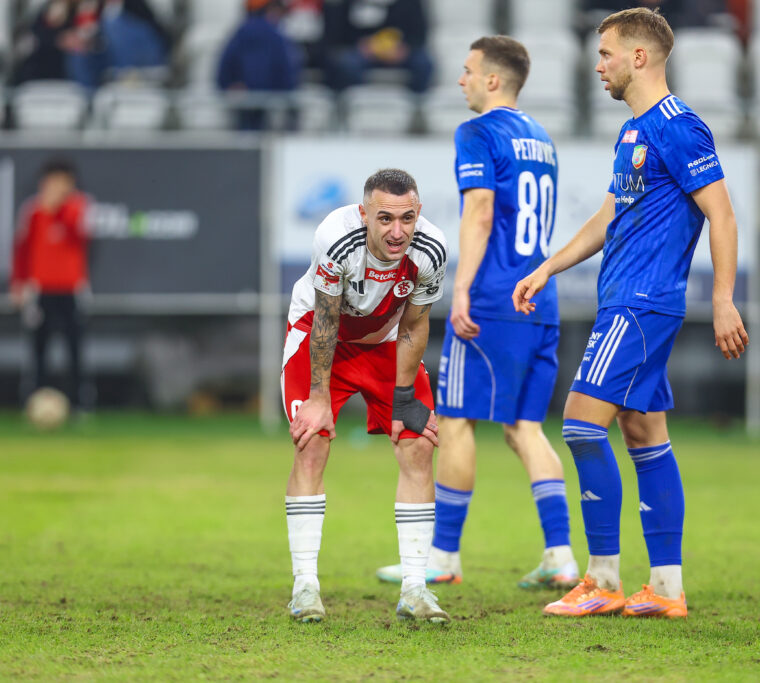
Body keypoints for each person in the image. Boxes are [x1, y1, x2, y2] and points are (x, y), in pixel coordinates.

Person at [513, 7, 749, 618]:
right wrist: (548, 267)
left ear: (638, 57)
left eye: (606, 54)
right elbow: (609, 215)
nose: (598, 66)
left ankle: (601, 580)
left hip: (643, 303)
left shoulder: (679, 126)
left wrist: (723, 298)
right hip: (625, 300)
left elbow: (722, 214)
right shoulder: (634, 131)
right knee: (643, 434)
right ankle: (666, 589)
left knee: (580, 424)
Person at [374, 36, 579, 590]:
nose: (460, 80)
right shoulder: (542, 138)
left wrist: (460, 287)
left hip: (494, 299)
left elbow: (480, 211)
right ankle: (560, 555)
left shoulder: (477, 132)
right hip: (540, 296)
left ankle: (443, 556)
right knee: (525, 428)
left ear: (492, 79)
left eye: (468, 71)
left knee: (456, 420)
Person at [281, 168, 450, 623]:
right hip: (322, 335)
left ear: (418, 213)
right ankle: (305, 587)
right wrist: (319, 398)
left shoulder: (432, 248)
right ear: (364, 214)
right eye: (385, 218)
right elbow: (326, 319)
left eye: (407, 218)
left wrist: (404, 397)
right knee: (312, 441)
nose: (397, 231)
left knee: (418, 443)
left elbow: (414, 324)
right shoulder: (336, 238)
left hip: (386, 339)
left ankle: (415, 588)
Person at [11, 159, 91, 410]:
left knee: (74, 349)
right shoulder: (32, 211)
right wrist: (18, 283)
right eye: (52, 181)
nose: (56, 186)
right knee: (38, 350)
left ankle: (79, 404)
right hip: (40, 290)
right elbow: (22, 249)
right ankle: (34, 402)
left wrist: (58, 209)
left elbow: (81, 235)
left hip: (71, 289)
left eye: (62, 181)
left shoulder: (79, 207)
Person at [217, 0, 302, 131]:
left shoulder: (241, 32)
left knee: (245, 136)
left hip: (244, 100)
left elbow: (225, 65)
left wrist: (228, 84)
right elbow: (288, 72)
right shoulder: (276, 36)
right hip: (267, 102)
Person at [324, 0, 432, 94]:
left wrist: (404, 49)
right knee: (346, 64)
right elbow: (341, 30)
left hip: (400, 50)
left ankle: (417, 103)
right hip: (363, 51)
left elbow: (419, 32)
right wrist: (364, 46)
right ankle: (356, 102)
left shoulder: (410, 2)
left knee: (423, 63)